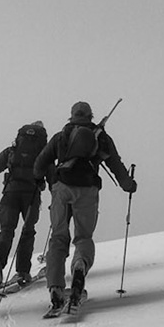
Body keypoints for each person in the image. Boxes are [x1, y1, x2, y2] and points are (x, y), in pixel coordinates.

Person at [33, 101, 136, 314]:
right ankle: (79, 266)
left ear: (72, 116)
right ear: (90, 115)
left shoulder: (61, 136)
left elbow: (40, 163)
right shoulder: (100, 137)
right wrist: (128, 185)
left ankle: (55, 288)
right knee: (83, 237)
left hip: (62, 189)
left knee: (58, 238)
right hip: (87, 190)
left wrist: (41, 180)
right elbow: (115, 164)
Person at [0, 121, 49, 289]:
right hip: (31, 195)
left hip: (10, 194)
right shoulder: (43, 153)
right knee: (28, 231)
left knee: (7, 229)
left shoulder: (12, 151)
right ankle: (23, 271)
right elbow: (52, 175)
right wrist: (58, 197)